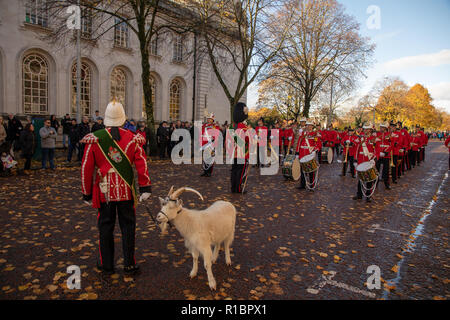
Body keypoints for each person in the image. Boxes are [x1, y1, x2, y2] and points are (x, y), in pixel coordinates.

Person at [81, 100, 151, 275]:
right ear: (123, 118)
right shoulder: (133, 138)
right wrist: (145, 188)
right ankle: (129, 263)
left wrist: (86, 193)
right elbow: (142, 164)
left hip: (104, 193)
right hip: (126, 191)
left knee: (105, 228)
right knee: (128, 228)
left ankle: (107, 264)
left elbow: (86, 168)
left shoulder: (95, 139)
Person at [229, 102, 250, 194]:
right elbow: (248, 139)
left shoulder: (231, 126)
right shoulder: (244, 128)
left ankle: (233, 188)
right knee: (240, 172)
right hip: (242, 153)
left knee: (234, 171)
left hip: (234, 152)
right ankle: (238, 189)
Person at [353, 124, 377, 203]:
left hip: (369, 161)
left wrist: (374, 159)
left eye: (367, 129)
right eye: (365, 129)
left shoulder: (373, 139)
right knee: (360, 179)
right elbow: (356, 149)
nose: (365, 130)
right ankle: (359, 194)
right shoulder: (360, 138)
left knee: (369, 179)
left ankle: (368, 196)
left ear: (370, 130)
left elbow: (376, 150)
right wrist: (355, 160)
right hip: (360, 160)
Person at [295, 120, 321, 191]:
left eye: (310, 125)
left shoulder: (315, 134)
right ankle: (302, 185)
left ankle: (312, 185)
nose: (308, 126)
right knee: (302, 170)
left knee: (311, 170)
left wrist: (315, 150)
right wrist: (297, 152)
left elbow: (318, 143)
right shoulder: (303, 133)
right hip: (302, 153)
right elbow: (299, 142)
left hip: (310, 153)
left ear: (312, 126)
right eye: (307, 125)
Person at [374, 123, 391, 190]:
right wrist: (378, 153)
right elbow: (375, 145)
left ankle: (387, 184)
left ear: (385, 128)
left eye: (382, 127)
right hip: (378, 155)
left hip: (386, 155)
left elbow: (391, 144)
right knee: (376, 170)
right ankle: (375, 184)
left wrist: (386, 152)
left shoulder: (389, 134)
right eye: (380, 127)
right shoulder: (377, 134)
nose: (381, 128)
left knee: (386, 171)